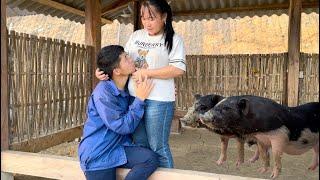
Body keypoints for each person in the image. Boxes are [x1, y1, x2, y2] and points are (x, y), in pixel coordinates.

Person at [96, 0, 186, 168]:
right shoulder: (136, 36)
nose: (147, 23)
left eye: (151, 18)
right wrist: (103, 71)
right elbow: (122, 60)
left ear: (164, 16)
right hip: (135, 98)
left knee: (158, 146)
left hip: (159, 100)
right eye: (144, 18)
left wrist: (147, 73)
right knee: (141, 145)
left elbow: (178, 69)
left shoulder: (173, 39)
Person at [78, 45, 159, 180]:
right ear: (116, 71)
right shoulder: (103, 94)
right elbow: (122, 126)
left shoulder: (125, 86)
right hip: (99, 154)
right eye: (126, 58)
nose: (131, 59)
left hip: (117, 147)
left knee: (150, 158)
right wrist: (139, 99)